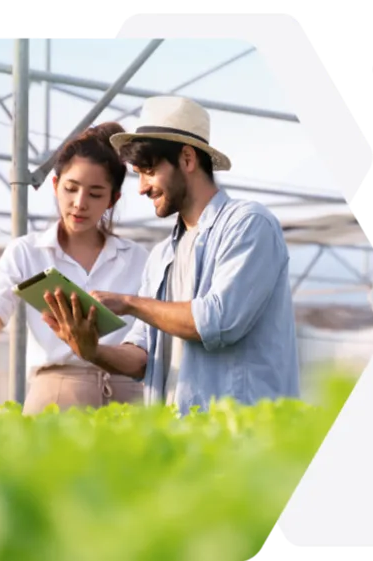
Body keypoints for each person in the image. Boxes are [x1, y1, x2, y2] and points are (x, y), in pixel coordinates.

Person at [41, 96, 301, 416]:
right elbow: (142, 358)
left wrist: (128, 302)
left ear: (187, 159)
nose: (142, 187)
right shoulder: (163, 255)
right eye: (138, 174)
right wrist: (90, 350)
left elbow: (218, 322)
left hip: (246, 437)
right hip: (184, 438)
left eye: (149, 171)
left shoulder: (248, 224)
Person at [0, 121, 149, 414]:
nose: (80, 203)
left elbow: (150, 345)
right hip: (55, 398)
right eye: (71, 189)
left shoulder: (138, 259)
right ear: (56, 185)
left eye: (96, 194)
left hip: (127, 402)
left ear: (114, 199)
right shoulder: (27, 253)